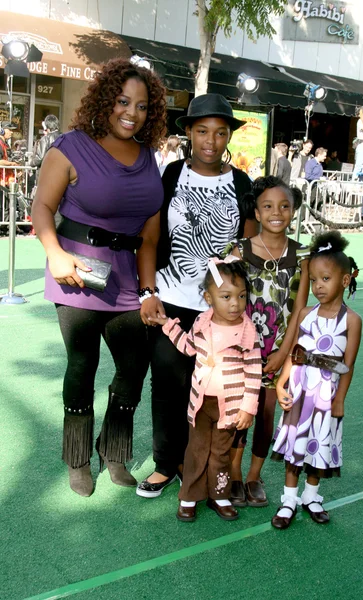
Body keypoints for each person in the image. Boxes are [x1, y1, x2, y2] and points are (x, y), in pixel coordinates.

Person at [31, 58, 167, 497]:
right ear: (107, 100)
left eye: (143, 106)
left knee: (133, 366)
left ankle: (114, 452)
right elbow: (42, 208)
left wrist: (148, 291)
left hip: (127, 279)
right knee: (82, 365)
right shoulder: (71, 146)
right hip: (77, 274)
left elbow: (149, 237)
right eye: (123, 101)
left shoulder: (149, 158)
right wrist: (55, 254)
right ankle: (77, 460)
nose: (132, 112)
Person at [136, 93, 258, 498]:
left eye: (220, 133)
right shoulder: (171, 174)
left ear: (228, 138)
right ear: (188, 132)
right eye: (202, 130)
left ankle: (202, 468)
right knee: (168, 381)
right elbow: (150, 238)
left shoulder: (240, 181)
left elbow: (251, 237)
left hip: (221, 309)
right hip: (171, 298)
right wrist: (148, 292)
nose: (211, 140)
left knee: (214, 389)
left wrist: (241, 254)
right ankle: (165, 464)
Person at [149, 258, 262, 521]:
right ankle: (188, 496)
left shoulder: (247, 330)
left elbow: (254, 371)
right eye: (226, 296)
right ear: (208, 298)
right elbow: (188, 347)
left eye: (241, 296)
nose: (235, 303)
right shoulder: (202, 323)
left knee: (220, 454)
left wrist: (248, 407)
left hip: (230, 408)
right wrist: (168, 325)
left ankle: (219, 496)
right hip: (200, 404)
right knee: (196, 451)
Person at [224, 176, 310, 507]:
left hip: (280, 353)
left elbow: (300, 310)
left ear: (294, 210)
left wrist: (285, 354)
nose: (277, 213)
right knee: (240, 412)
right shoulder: (240, 250)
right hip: (243, 349)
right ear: (257, 213)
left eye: (285, 206)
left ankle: (253, 476)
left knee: (266, 413)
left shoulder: (304, 254)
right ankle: (233, 472)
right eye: (268, 206)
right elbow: (228, 301)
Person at [271, 231, 362, 529]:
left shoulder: (351, 321)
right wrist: (283, 381)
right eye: (314, 280)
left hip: (327, 392)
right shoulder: (306, 313)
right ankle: (288, 500)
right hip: (301, 388)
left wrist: (339, 400)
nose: (318, 286)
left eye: (326, 279)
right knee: (295, 445)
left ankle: (311, 496)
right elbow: (294, 352)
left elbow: (347, 365)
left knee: (319, 444)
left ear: (345, 280)